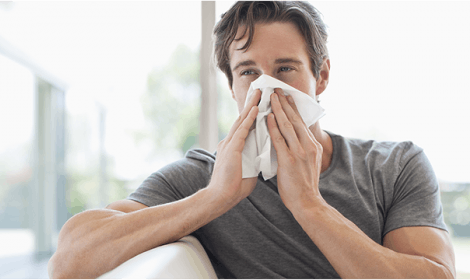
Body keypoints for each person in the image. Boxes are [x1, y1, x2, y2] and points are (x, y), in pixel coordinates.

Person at [48, 1, 456, 279]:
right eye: (248, 72)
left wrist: (310, 206)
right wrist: (214, 198)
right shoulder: (200, 178)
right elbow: (69, 259)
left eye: (285, 69)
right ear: (232, 87)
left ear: (322, 77)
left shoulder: (394, 165)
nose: (267, 88)